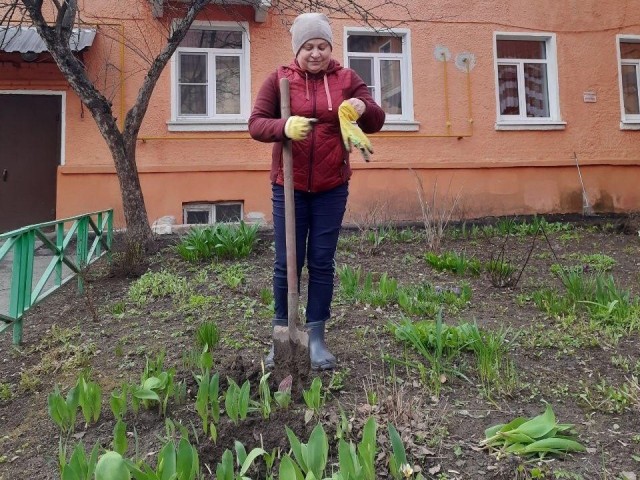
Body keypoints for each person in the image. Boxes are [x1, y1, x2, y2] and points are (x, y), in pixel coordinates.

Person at [248, 12, 386, 370]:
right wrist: (283, 126)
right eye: (308, 46)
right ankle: (283, 330)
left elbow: (376, 118)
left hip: (331, 186)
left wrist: (361, 107)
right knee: (287, 262)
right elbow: (256, 124)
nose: (315, 53)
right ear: (297, 49)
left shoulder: (346, 78)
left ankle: (316, 338)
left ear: (330, 47)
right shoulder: (279, 78)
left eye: (322, 45)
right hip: (288, 186)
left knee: (322, 261)